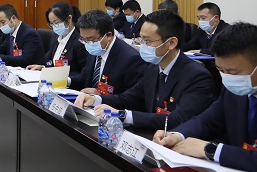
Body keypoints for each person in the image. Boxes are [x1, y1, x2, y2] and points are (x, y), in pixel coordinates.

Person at [74, 10, 214, 129]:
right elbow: (128, 98)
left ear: (171, 43)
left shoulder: (196, 76)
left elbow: (177, 119)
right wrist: (95, 99)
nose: (142, 46)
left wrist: (123, 115)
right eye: (141, 40)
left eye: (147, 41)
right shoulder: (153, 68)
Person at [155, 22, 257, 172]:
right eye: (221, 70)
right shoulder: (233, 91)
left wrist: (212, 150)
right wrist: (176, 135)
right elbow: (208, 120)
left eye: (232, 72)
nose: (227, 78)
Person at [69, 9, 146, 94]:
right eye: (83, 40)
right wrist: (67, 81)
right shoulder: (95, 50)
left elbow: (132, 97)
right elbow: (85, 76)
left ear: (108, 35)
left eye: (91, 40)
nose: (87, 44)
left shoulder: (130, 58)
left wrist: (100, 97)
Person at [26, 2, 87, 83]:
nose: (54, 27)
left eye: (57, 22)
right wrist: (43, 67)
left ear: (69, 19)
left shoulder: (80, 41)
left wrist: (65, 80)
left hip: (70, 85)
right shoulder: (56, 37)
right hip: (54, 82)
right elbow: (53, 62)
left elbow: (85, 73)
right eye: (51, 23)